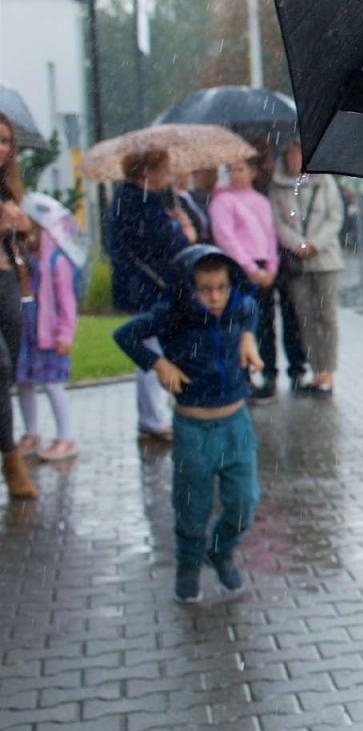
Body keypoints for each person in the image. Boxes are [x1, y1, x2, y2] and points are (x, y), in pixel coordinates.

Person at [113, 245, 263, 602]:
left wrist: (247, 336)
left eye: (222, 287)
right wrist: (158, 364)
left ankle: (221, 550)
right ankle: (189, 563)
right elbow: (125, 335)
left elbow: (252, 307)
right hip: (193, 428)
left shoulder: (237, 307)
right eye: (205, 289)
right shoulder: (172, 315)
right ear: (187, 288)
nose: (215, 297)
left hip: (235, 424)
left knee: (244, 502)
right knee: (191, 508)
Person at [103, 148, 196, 443]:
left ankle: (150, 416)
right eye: (163, 169)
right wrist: (183, 230)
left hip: (138, 283)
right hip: (147, 285)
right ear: (147, 173)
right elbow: (170, 243)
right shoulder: (140, 201)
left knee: (148, 343)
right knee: (151, 348)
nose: (168, 176)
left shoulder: (128, 198)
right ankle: (153, 418)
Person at [269, 141, 343, 397]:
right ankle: (315, 369)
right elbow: (277, 222)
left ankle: (328, 372)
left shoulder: (324, 181)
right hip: (297, 262)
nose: (295, 159)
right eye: (290, 155)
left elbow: (334, 217)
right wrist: (297, 244)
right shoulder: (278, 187)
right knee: (305, 316)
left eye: (299, 153)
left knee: (326, 316)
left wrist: (315, 243)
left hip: (325, 259)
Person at [209, 157, 280, 398]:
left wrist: (271, 266)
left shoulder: (261, 200)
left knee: (266, 322)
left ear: (252, 172)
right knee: (241, 321)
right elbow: (226, 238)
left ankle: (269, 370)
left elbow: (270, 235)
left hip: (263, 265)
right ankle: (244, 376)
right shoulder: (223, 201)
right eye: (232, 170)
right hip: (240, 268)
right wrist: (250, 268)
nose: (236, 174)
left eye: (241, 169)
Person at [248, 141, 307, 399]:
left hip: (285, 261)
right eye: (263, 157)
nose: (268, 163)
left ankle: (296, 370)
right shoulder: (252, 188)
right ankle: (269, 372)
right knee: (263, 321)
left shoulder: (281, 183)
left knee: (292, 317)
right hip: (260, 262)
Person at [15, 226, 78, 462]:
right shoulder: (27, 261)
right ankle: (31, 433)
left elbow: (67, 302)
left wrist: (65, 334)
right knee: (24, 382)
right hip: (27, 330)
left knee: (52, 384)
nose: (30, 236)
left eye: (34, 231)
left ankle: (66, 435)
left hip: (49, 334)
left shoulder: (57, 263)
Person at [0, 116, 38, 499]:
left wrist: (24, 227)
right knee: (1, 365)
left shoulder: (7, 187)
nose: (2, 148)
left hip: (6, 278)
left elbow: (30, 245)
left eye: (6, 141)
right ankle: (11, 460)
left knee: (6, 371)